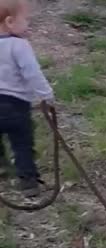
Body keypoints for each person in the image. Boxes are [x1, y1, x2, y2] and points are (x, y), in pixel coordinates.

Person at [0, 0, 54, 197]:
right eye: (26, 19)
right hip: (15, 106)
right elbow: (32, 73)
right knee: (22, 143)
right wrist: (46, 95)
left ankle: (2, 168)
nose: (28, 24)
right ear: (10, 21)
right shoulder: (19, 46)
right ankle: (28, 181)